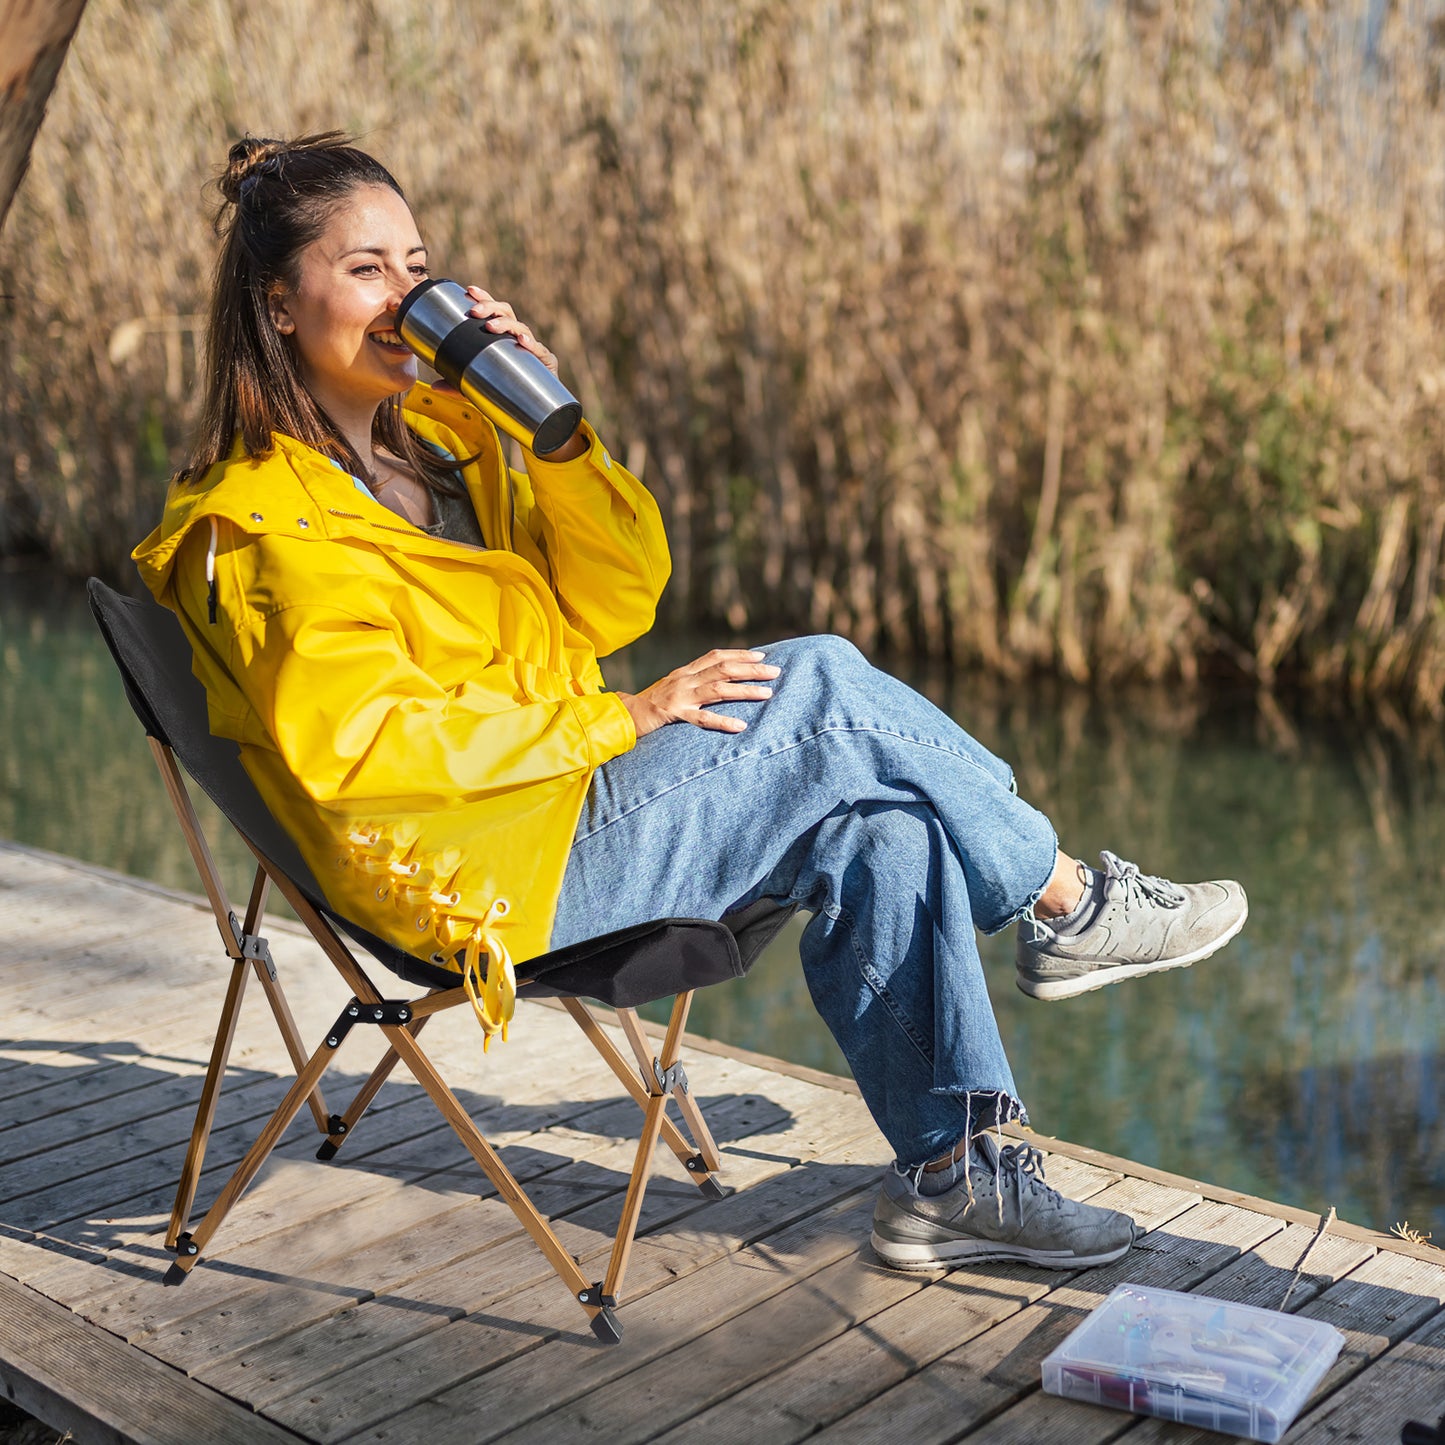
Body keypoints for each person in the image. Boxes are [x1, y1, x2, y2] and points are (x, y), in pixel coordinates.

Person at [133, 133, 1248, 1274]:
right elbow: (363, 749)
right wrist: (622, 721)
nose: (405, 296)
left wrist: (553, 433)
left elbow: (619, 595)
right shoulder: (265, 525)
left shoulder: (453, 447)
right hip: (473, 871)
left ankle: (955, 1177)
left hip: (557, 806)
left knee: (887, 825)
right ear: (279, 305)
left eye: (417, 266)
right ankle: (1066, 903)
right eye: (365, 269)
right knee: (816, 683)